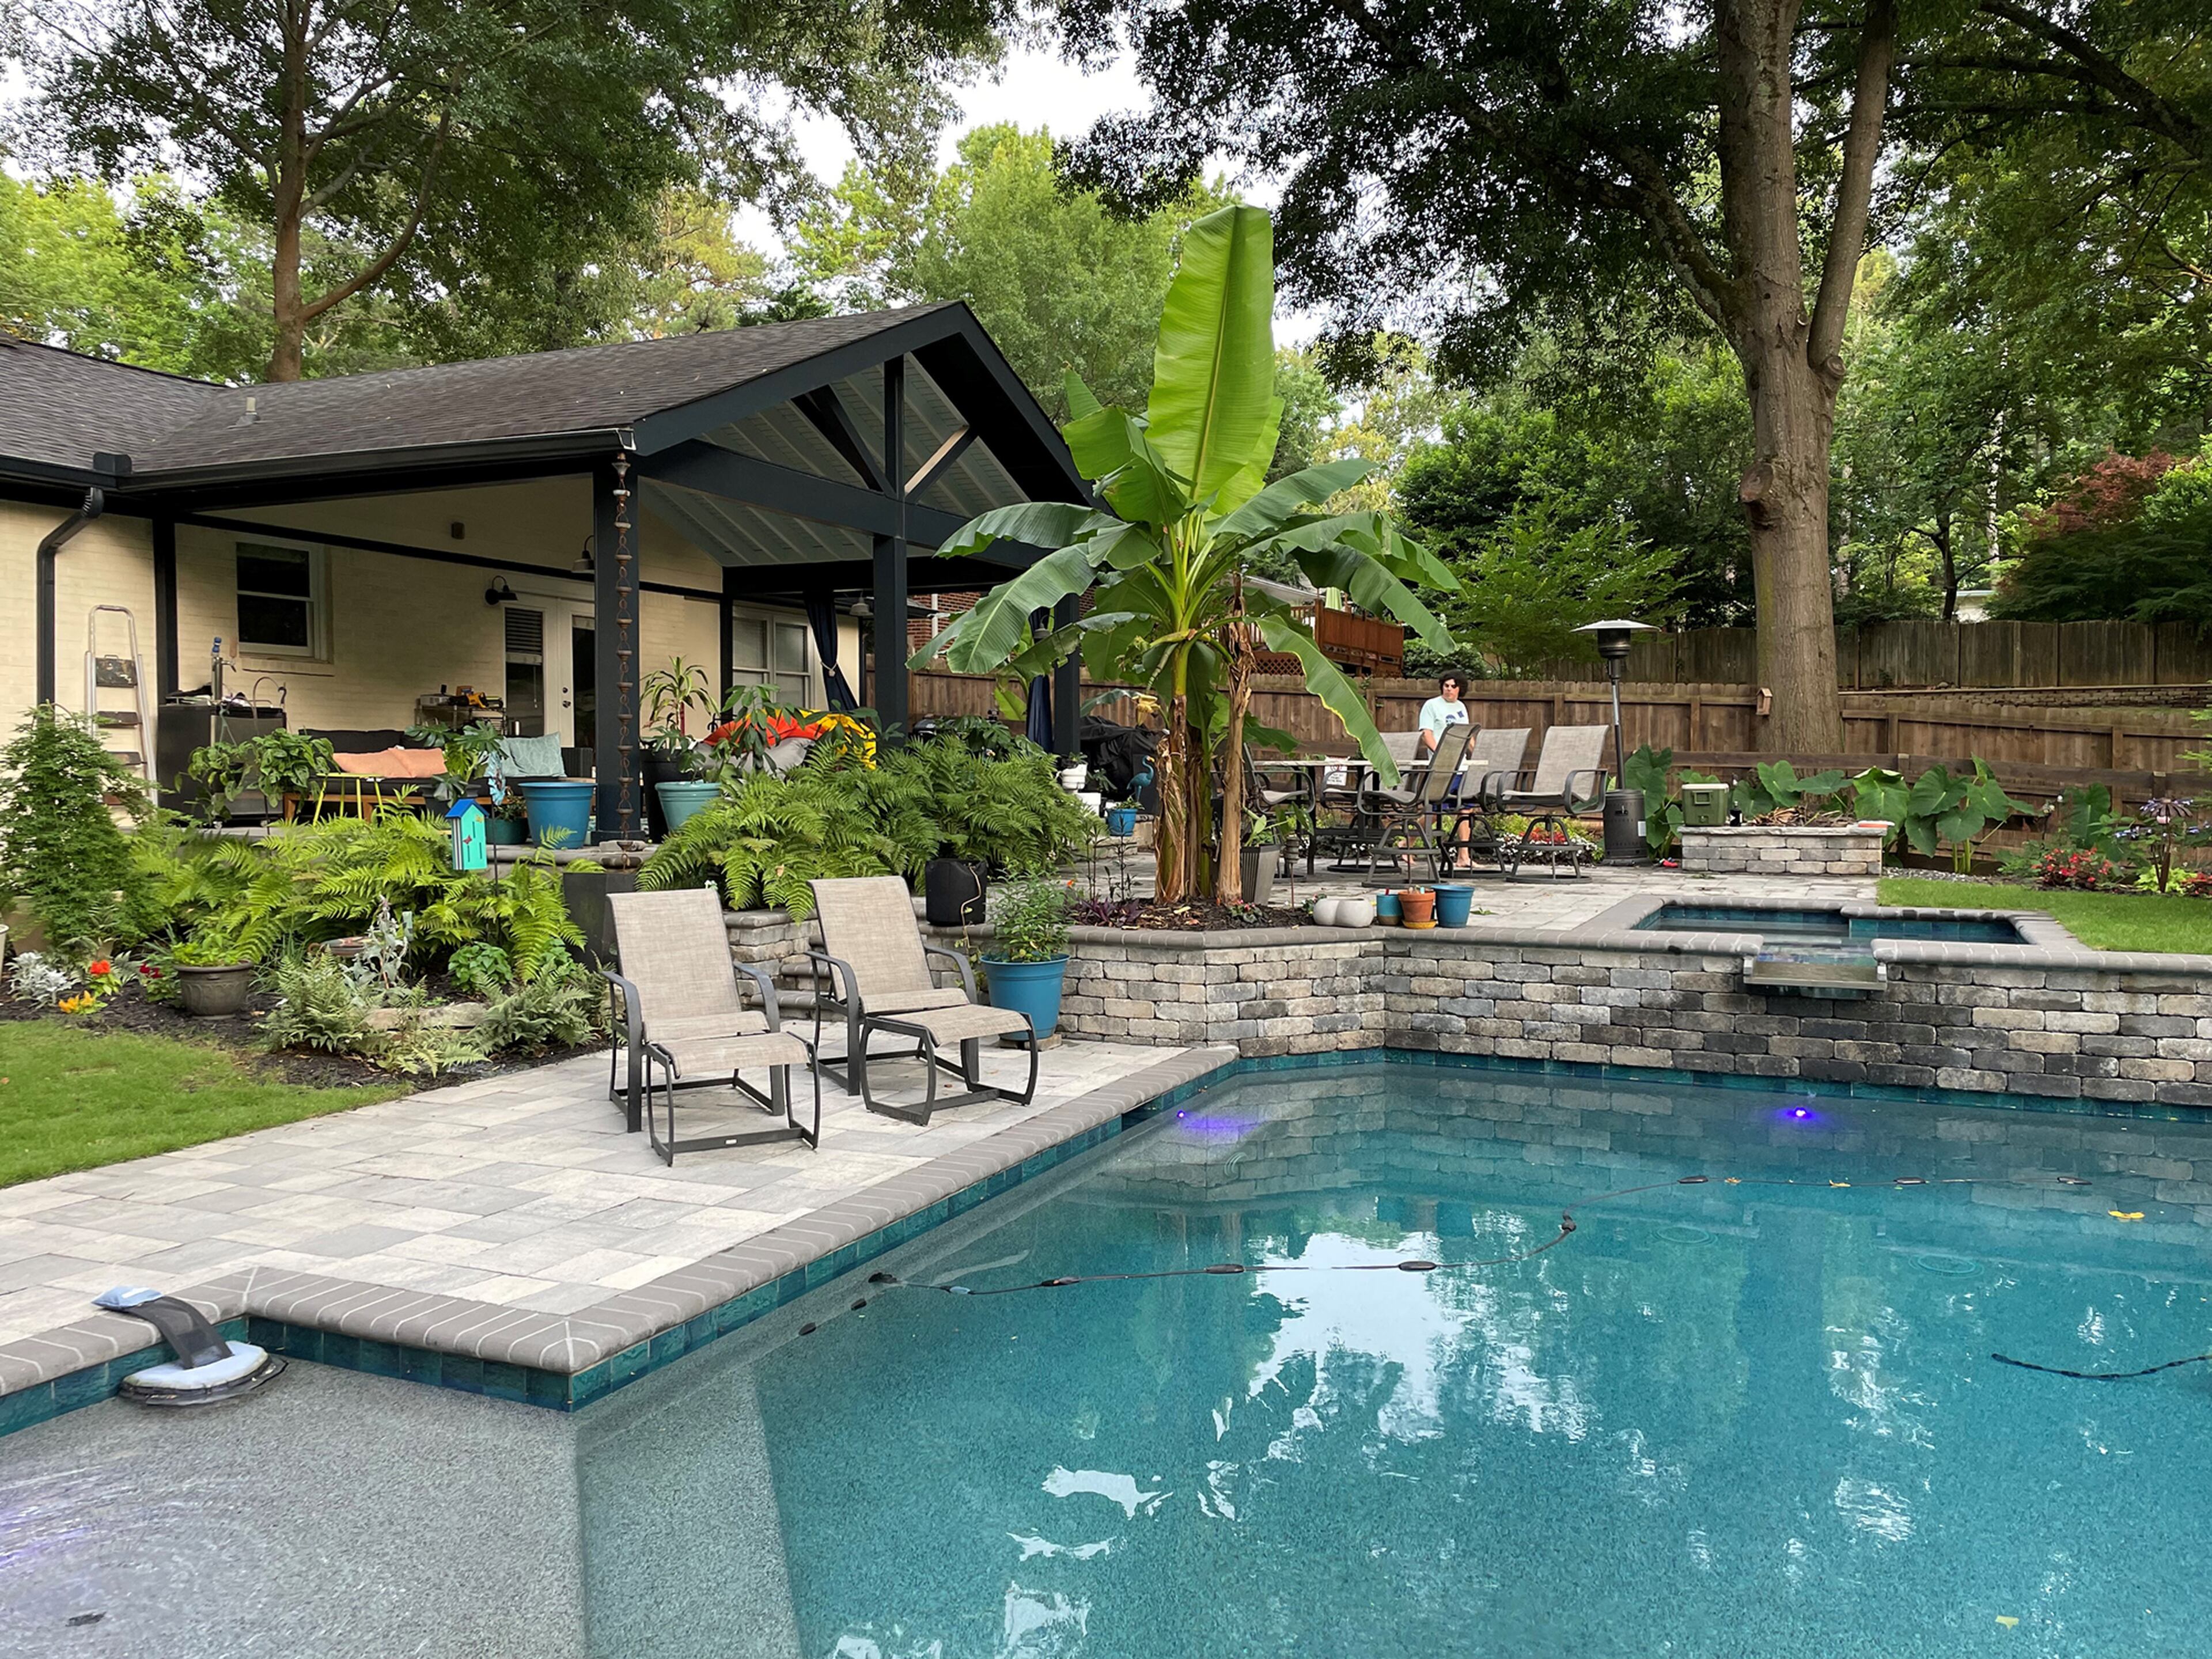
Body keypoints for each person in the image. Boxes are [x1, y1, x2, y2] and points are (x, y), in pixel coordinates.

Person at [1416, 673, 1470, 755]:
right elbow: (1426, 734)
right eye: (1446, 686)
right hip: (1439, 761)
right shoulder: (1431, 705)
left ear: (1460, 689)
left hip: (1461, 761)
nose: (1449, 689)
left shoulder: (1461, 707)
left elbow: (1467, 734)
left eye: (1454, 686)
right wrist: (1439, 754)